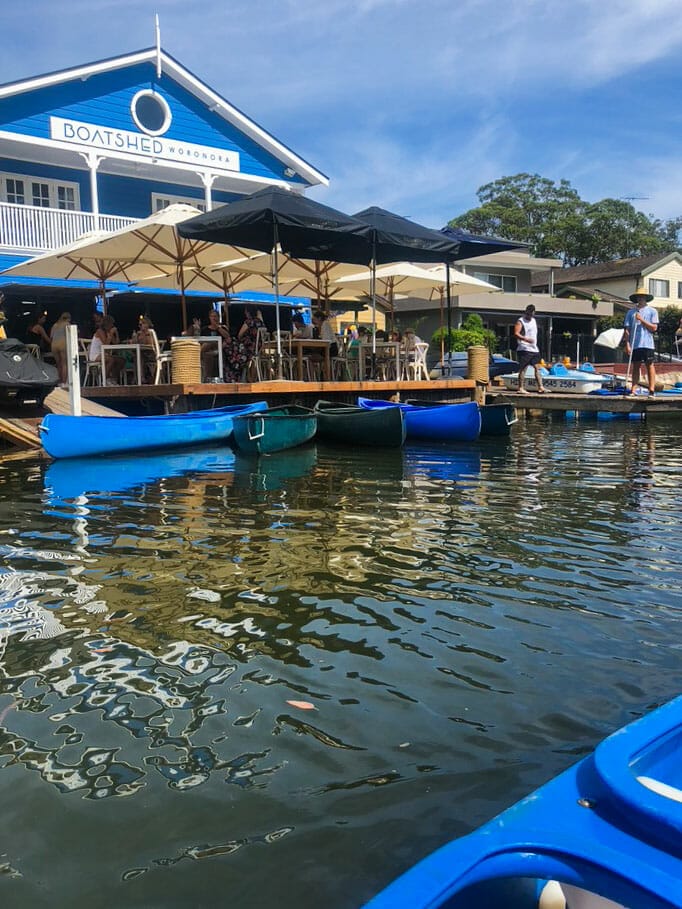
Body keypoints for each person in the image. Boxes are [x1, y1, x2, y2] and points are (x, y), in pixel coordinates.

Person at [623, 286, 659, 396]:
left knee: (650, 365)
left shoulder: (652, 311)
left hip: (648, 343)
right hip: (635, 344)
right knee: (636, 366)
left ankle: (651, 390)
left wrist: (642, 320)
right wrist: (627, 344)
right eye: (639, 297)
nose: (640, 299)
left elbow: (654, 328)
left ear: (646, 298)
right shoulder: (631, 312)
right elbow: (627, 330)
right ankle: (633, 390)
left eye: (642, 297)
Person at [222, 306, 265, 382]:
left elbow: (239, 335)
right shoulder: (261, 322)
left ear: (248, 313)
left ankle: (231, 373)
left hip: (247, 350)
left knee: (227, 345)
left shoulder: (248, 322)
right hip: (257, 348)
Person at [514, 304, 545, 394]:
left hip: (534, 349)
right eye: (528, 314)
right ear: (526, 312)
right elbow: (516, 333)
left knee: (537, 368)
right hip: (524, 348)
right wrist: (525, 339)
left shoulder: (534, 320)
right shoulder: (520, 321)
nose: (529, 316)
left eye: (531, 314)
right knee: (524, 368)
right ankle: (520, 388)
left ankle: (540, 387)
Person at [89, 315, 124, 385]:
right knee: (111, 360)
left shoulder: (108, 332)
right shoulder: (100, 331)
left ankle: (113, 379)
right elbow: (105, 344)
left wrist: (116, 334)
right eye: (111, 324)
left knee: (121, 360)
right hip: (96, 355)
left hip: (104, 354)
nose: (112, 326)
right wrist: (110, 334)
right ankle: (105, 379)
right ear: (107, 324)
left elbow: (116, 343)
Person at [201, 308, 229, 380]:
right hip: (208, 352)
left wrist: (218, 327)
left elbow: (227, 337)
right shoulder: (205, 329)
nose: (214, 318)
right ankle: (207, 378)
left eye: (215, 316)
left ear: (218, 317)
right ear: (209, 317)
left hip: (219, 351)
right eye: (212, 316)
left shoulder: (223, 328)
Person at [50, 312, 72, 386]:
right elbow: (70, 335)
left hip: (54, 345)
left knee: (58, 364)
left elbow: (51, 337)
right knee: (64, 364)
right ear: (68, 319)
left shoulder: (55, 325)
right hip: (62, 344)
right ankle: (64, 382)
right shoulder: (67, 324)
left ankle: (58, 381)